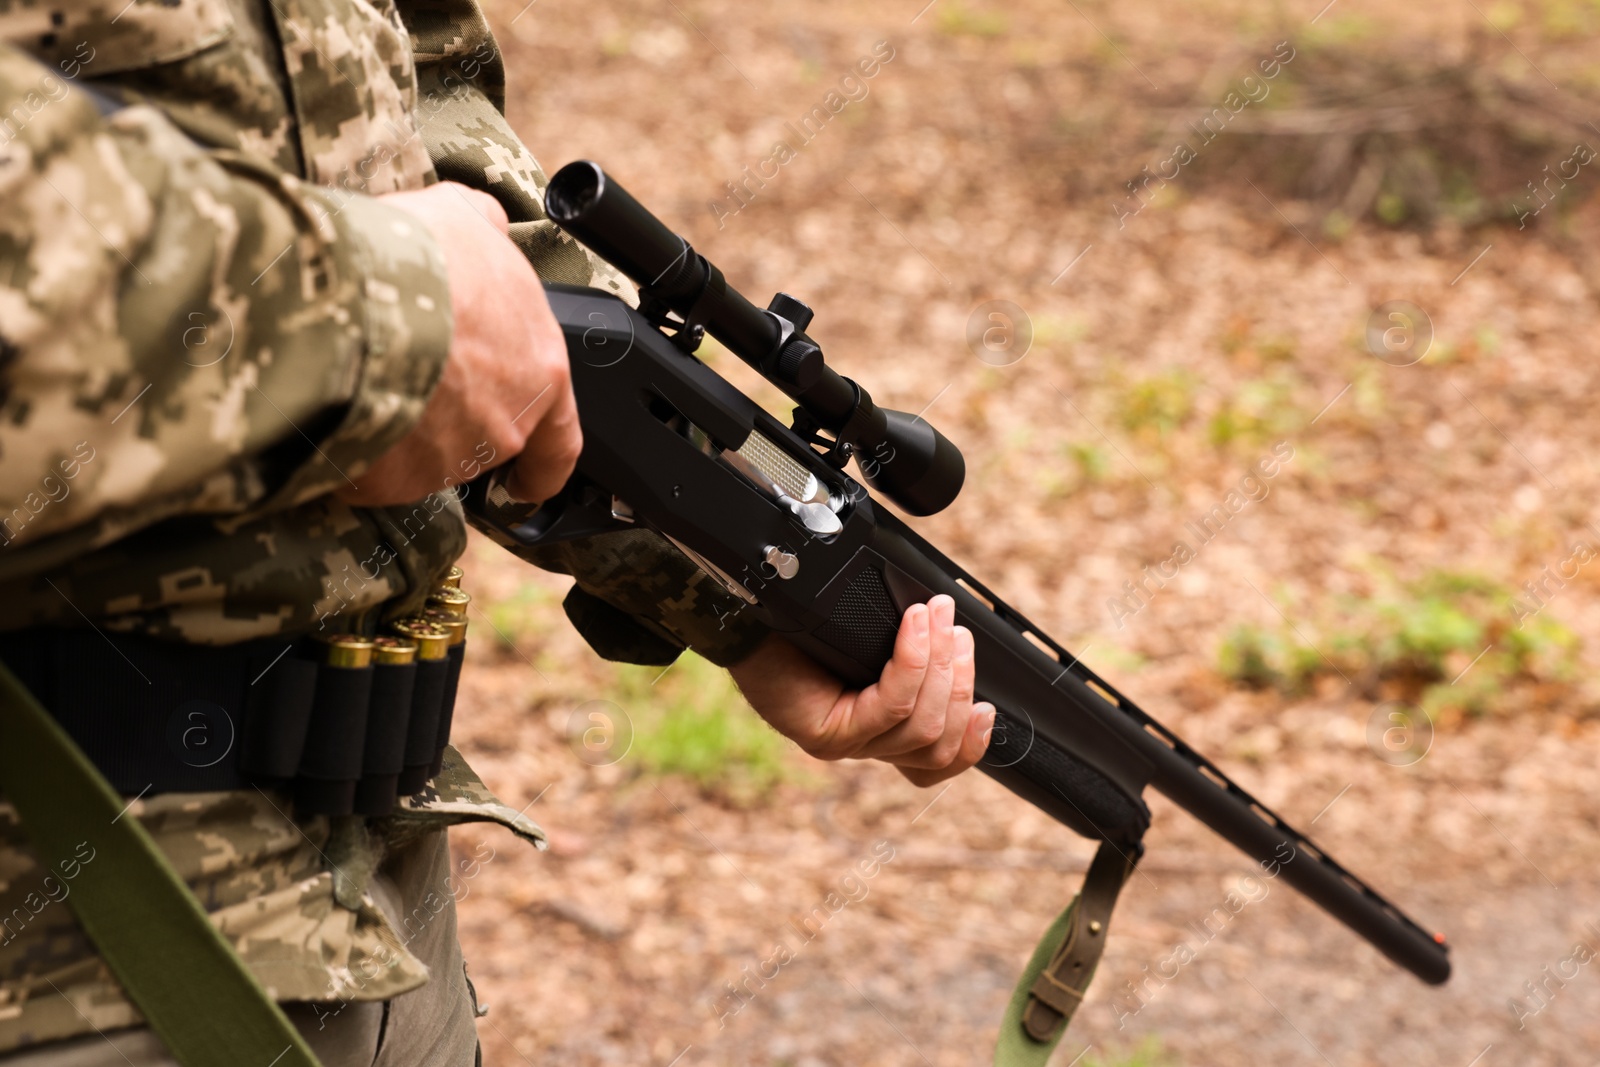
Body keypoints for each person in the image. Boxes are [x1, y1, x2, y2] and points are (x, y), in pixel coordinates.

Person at [0, 0, 996, 1062]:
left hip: (375, 902)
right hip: (76, 938)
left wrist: (751, 600)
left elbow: (421, 118)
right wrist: (378, 316)